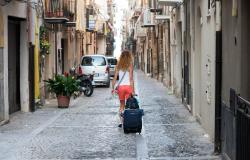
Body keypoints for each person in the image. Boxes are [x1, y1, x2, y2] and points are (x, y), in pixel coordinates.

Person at [112, 50, 135, 128]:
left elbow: (115, 78)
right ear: (129, 56)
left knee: (122, 105)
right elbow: (131, 78)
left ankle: (121, 121)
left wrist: (113, 88)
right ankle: (128, 120)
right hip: (128, 87)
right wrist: (133, 91)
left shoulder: (118, 65)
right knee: (128, 106)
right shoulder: (130, 65)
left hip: (121, 88)